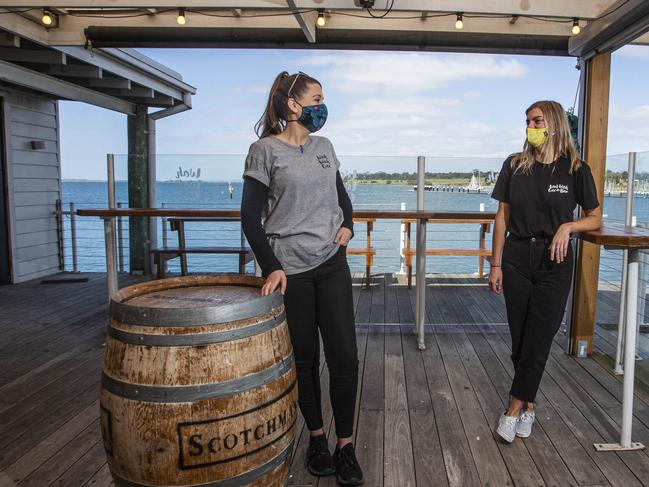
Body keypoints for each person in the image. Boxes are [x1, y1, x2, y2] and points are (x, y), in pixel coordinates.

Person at [241, 71, 363, 486]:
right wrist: (271, 265)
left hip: (331, 263)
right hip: (290, 272)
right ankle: (316, 437)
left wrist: (348, 225)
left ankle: (345, 444)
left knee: (345, 356)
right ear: (293, 105)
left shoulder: (325, 147)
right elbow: (249, 218)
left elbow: (341, 196)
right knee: (305, 358)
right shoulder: (264, 151)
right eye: (316, 98)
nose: (322, 105)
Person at [489, 100, 602, 443]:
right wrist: (495, 263)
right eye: (527, 121)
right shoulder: (514, 165)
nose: (530, 127)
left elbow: (595, 217)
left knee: (540, 336)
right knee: (521, 340)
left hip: (556, 261)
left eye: (536, 120)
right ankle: (530, 406)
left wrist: (568, 226)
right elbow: (501, 217)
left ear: (553, 123)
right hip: (517, 257)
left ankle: (512, 409)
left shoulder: (576, 169)